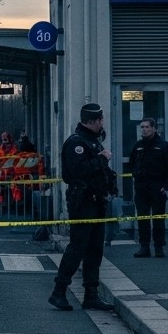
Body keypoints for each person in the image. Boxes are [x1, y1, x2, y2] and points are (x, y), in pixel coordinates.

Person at [48, 103, 118, 312]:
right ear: (94, 120)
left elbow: (98, 172)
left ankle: (91, 295)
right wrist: (101, 159)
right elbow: (78, 171)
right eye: (100, 120)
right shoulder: (76, 143)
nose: (102, 124)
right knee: (77, 247)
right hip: (83, 202)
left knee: (95, 249)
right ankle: (59, 291)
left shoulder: (93, 142)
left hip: (97, 201)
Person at [127, 117, 168, 258]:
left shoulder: (164, 146)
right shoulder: (138, 146)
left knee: (158, 218)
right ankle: (144, 246)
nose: (144, 130)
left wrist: (167, 186)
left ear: (154, 128)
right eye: (142, 127)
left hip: (158, 186)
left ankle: (159, 247)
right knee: (143, 218)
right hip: (141, 187)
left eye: (147, 127)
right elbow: (131, 163)